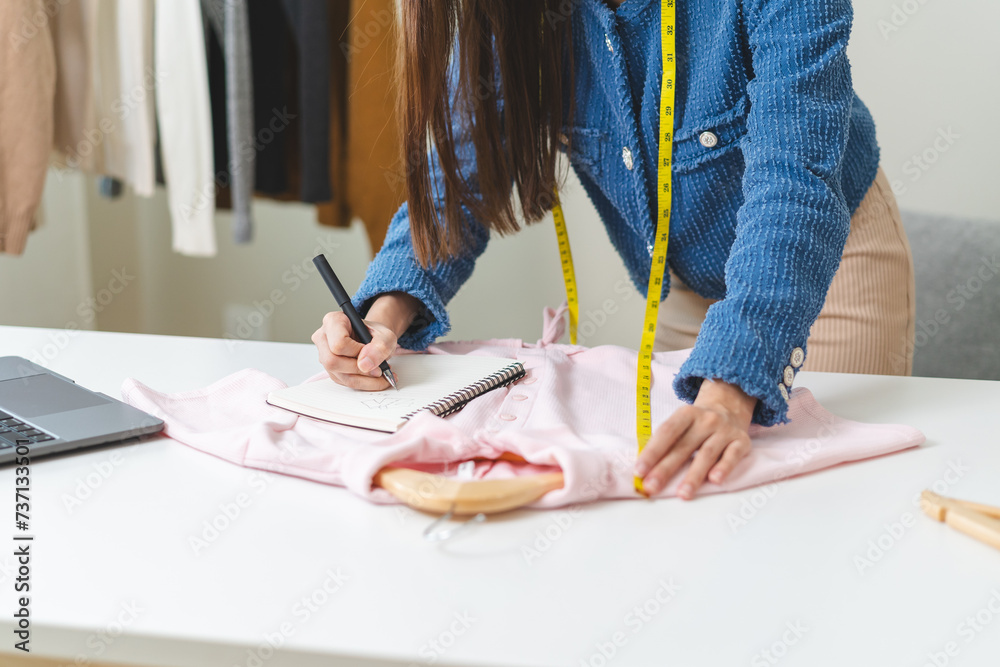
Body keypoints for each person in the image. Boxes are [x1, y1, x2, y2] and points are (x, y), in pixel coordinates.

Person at [312, 0, 915, 500]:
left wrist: (730, 386)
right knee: (699, 504)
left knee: (826, 508)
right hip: (687, 285)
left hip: (826, 268)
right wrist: (382, 315)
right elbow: (460, 180)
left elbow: (795, 180)